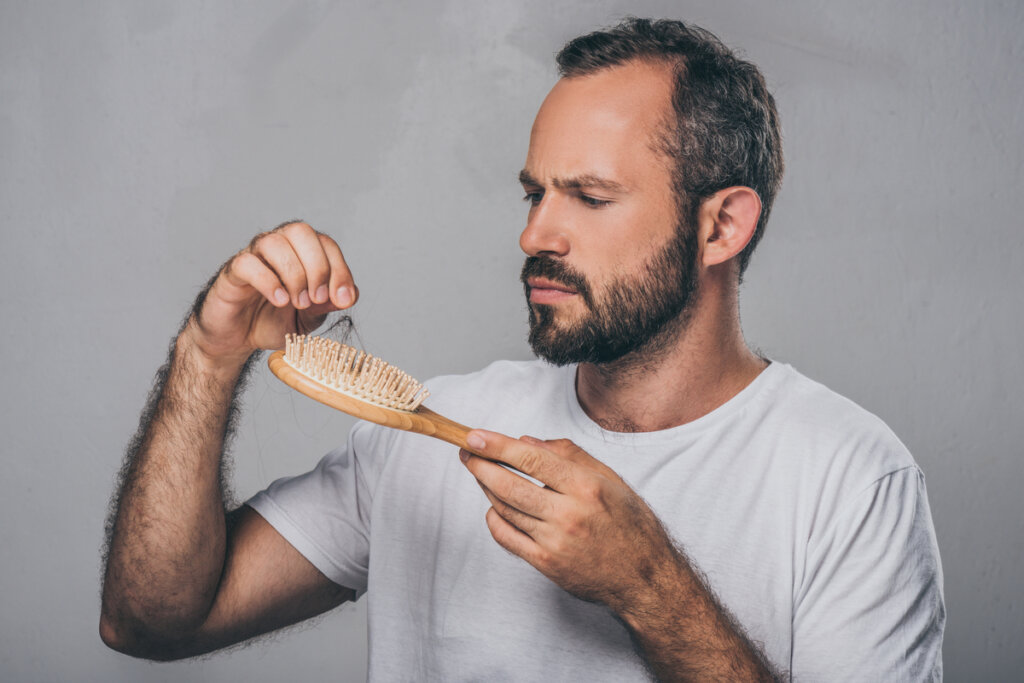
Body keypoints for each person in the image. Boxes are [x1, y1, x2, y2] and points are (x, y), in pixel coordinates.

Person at [100, 18, 945, 681]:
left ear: (721, 224)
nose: (534, 232)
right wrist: (207, 358)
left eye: (589, 196)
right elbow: (150, 619)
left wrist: (651, 588)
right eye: (536, 192)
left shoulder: (849, 480)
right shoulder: (427, 434)